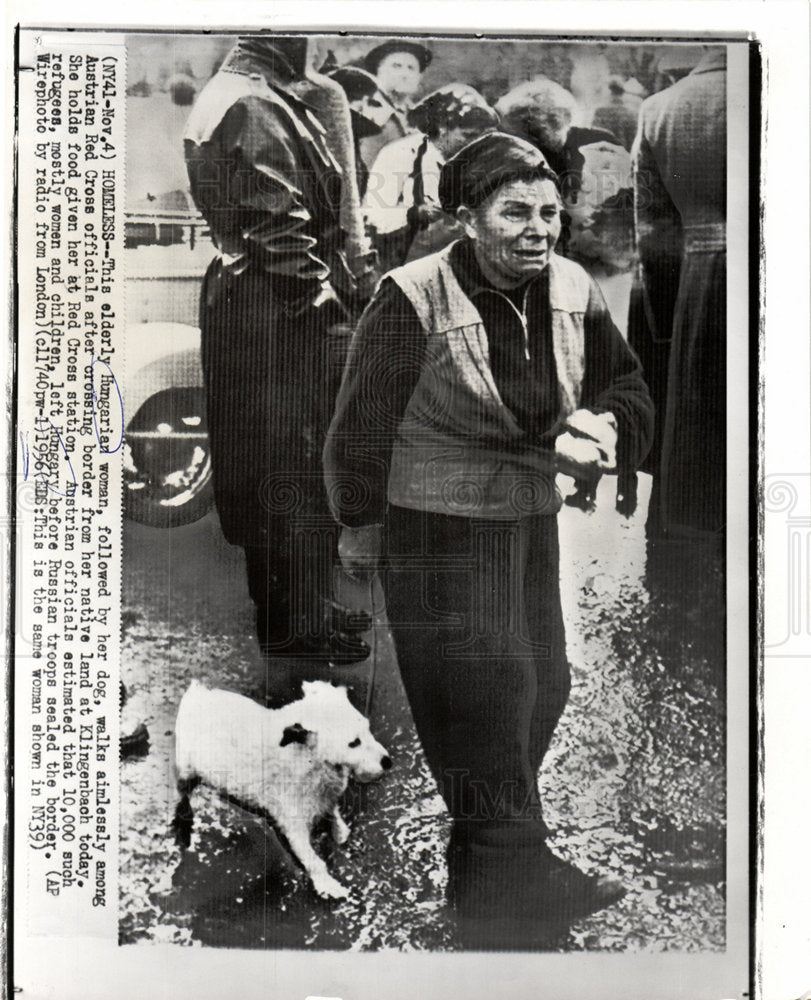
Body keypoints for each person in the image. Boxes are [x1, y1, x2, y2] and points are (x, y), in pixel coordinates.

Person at [324, 133, 653, 943]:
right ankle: (516, 875)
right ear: (466, 217)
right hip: (436, 527)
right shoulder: (411, 295)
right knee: (487, 697)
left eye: (549, 211)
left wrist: (603, 424)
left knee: (543, 685)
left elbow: (627, 386)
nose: (539, 228)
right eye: (514, 212)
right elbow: (357, 430)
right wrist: (361, 534)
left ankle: (483, 860)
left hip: (525, 516)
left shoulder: (572, 287)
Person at [183, 35, 370, 665]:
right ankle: (292, 624)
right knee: (286, 466)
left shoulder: (244, 94)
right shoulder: (253, 104)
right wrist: (329, 316)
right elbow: (279, 226)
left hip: (258, 300)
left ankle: (303, 607)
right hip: (275, 307)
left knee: (281, 465)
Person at [632, 46, 727, 539]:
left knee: (708, 431)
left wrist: (665, 325)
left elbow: (653, 231)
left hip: (702, 280)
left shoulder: (660, 109)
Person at [363, 84, 499, 270]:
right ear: (443, 128)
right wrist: (416, 213)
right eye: (467, 136)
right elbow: (374, 218)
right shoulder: (400, 154)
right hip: (398, 263)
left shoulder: (475, 161)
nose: (473, 143)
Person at [359, 39, 433, 167]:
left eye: (411, 68)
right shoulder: (365, 110)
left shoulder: (422, 116)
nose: (405, 74)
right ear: (378, 71)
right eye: (396, 66)